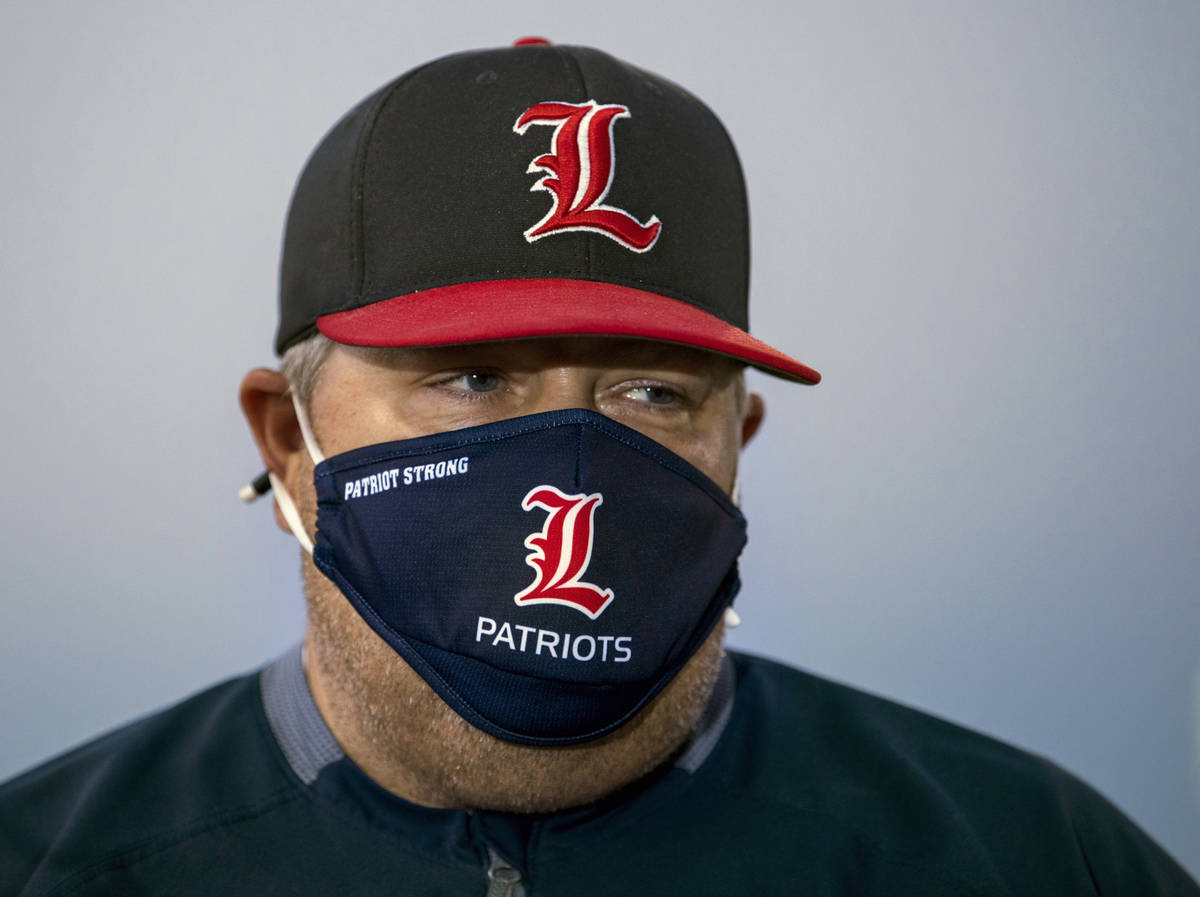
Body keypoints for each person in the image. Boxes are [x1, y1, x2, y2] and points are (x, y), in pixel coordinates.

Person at [1, 39, 1195, 896]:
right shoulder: (54, 861)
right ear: (286, 443)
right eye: (471, 381)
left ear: (738, 450)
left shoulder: (1030, 855)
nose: (575, 462)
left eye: (653, 394)